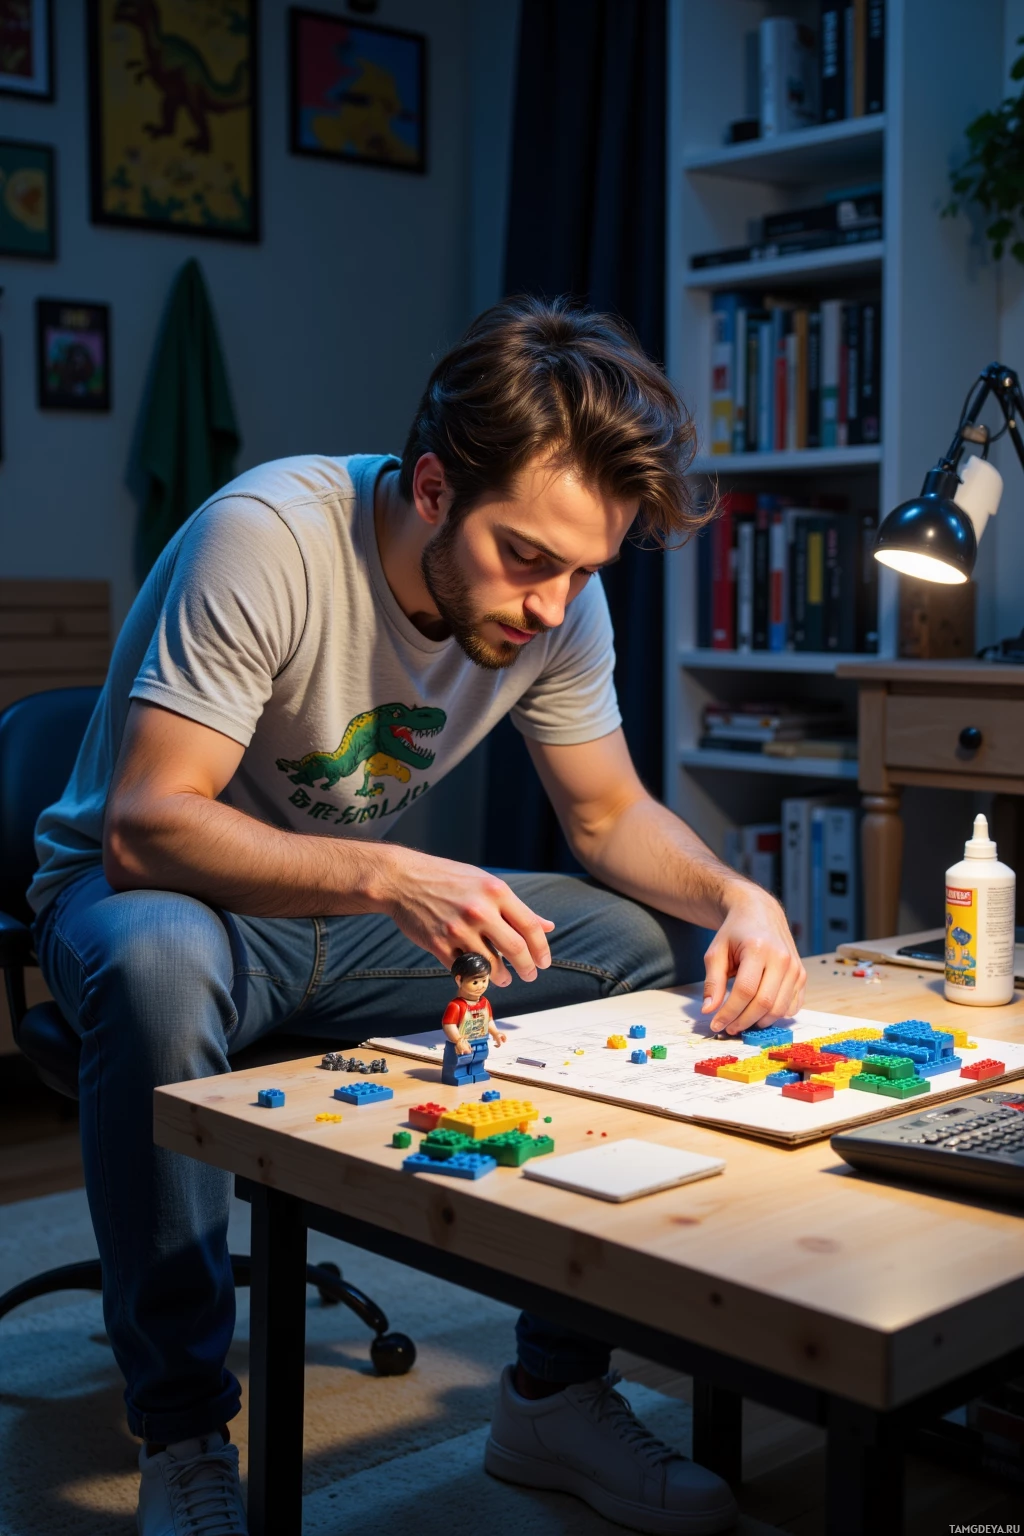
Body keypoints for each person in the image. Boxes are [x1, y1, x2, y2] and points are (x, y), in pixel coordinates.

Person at [29, 296, 805, 1536]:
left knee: (628, 947)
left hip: (334, 911)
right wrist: (392, 876)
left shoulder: (560, 600)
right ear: (435, 488)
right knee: (163, 961)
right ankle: (181, 1432)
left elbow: (605, 815)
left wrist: (741, 897)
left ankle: (552, 1392)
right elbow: (145, 826)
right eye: (528, 560)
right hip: (154, 902)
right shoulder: (266, 537)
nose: (551, 605)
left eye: (582, 571)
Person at [440, 951, 504, 1085]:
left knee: (480, 1057)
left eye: (484, 981)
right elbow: (448, 1025)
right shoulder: (456, 1006)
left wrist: (496, 1033)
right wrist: (457, 1040)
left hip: (480, 1039)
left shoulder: (485, 1002)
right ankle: (457, 1075)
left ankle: (477, 1072)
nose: (481, 986)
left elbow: (489, 1020)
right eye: (475, 982)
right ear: (459, 980)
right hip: (462, 1042)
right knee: (460, 1060)